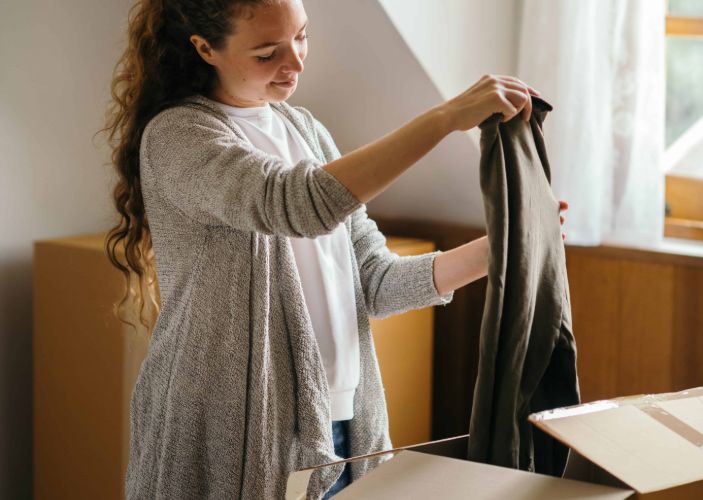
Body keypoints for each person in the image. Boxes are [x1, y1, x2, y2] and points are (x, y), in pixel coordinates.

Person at [103, 0, 568, 498]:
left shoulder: (306, 132)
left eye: (302, 36)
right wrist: (447, 117)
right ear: (204, 48)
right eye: (267, 53)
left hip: (346, 427)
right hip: (235, 431)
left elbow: (374, 281)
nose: (296, 61)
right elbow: (298, 203)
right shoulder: (179, 137)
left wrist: (504, 248)